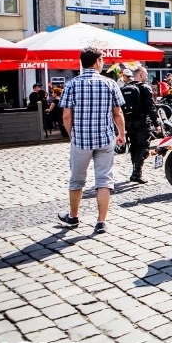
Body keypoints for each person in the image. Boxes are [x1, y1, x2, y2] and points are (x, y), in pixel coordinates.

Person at [57, 47, 126, 234]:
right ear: (97, 62)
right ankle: (101, 222)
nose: (103, 62)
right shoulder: (109, 84)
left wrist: (73, 136)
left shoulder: (71, 85)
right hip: (105, 138)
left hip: (81, 140)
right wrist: (122, 134)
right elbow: (117, 113)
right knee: (104, 180)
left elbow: (66, 116)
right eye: (102, 59)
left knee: (77, 180)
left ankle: (73, 217)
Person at [122, 67, 161, 183]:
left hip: (129, 122)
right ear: (141, 75)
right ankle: (137, 173)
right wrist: (156, 123)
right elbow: (151, 107)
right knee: (143, 146)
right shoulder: (145, 87)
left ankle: (135, 170)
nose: (147, 76)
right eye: (146, 74)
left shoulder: (124, 88)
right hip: (142, 121)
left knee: (134, 146)